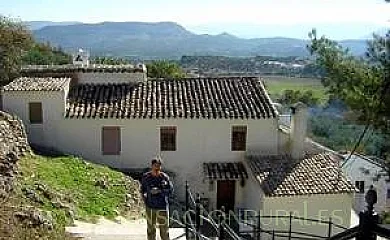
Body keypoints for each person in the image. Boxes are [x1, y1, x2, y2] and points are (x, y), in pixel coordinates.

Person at [141, 157, 173, 240]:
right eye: (155, 166)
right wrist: (145, 199)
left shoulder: (164, 177)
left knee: (164, 231)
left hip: (162, 208)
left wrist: (159, 191)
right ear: (152, 166)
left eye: (159, 166)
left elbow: (170, 191)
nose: (157, 168)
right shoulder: (146, 177)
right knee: (151, 230)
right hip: (150, 207)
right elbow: (142, 190)